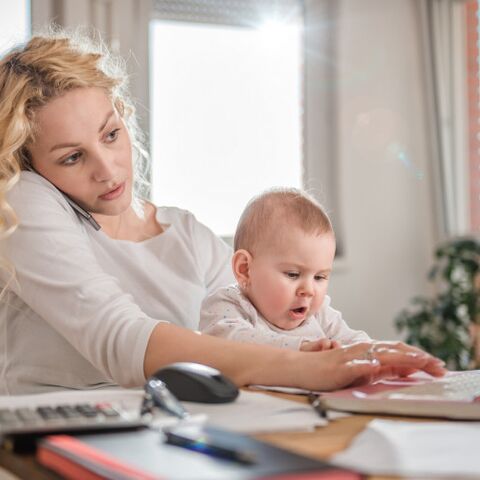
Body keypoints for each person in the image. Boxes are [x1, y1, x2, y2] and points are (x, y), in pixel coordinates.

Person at [0, 28, 446, 395]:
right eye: (72, 158)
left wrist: (332, 355)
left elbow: (253, 332)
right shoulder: (20, 204)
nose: (107, 167)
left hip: (169, 431)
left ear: (124, 116)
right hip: (51, 440)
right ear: (30, 164)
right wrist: (306, 368)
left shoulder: (187, 234)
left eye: (111, 134)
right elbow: (120, 339)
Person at [200, 188, 371, 352]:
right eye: (293, 274)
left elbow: (354, 342)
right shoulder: (227, 305)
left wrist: (377, 351)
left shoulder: (320, 314)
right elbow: (228, 343)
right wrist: (300, 348)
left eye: (319, 277)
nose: (309, 290)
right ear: (245, 269)